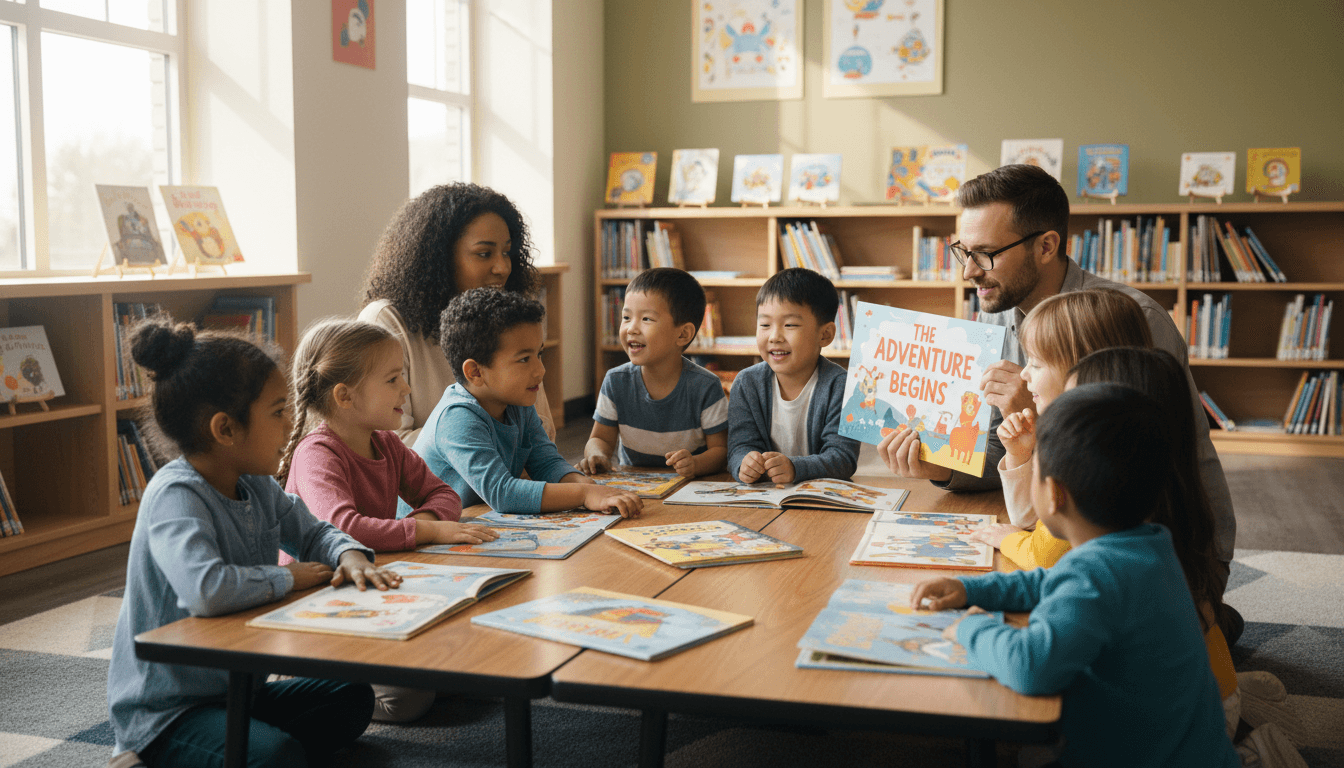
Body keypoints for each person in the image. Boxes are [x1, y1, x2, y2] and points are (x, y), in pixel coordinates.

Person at [878, 164, 1241, 642]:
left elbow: (1148, 478)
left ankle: (1210, 623)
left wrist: (1049, 417)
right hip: (1069, 517)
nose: (969, 271)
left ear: (1046, 246)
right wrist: (941, 465)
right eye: (963, 251)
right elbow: (998, 448)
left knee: (1036, 629)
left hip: (1163, 549)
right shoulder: (995, 317)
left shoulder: (1131, 321)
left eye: (985, 254)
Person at [107, 318, 399, 768]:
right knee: (277, 756)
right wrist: (287, 578)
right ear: (225, 429)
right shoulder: (175, 496)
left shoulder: (257, 482)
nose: (290, 425)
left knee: (352, 698)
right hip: (169, 712)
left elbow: (313, 530)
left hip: (241, 689)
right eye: (278, 412)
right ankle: (141, 759)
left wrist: (349, 553)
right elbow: (206, 589)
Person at [911, 384, 1239, 768]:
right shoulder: (1146, 545)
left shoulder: (1096, 574)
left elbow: (1031, 667)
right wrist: (970, 588)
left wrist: (971, 629)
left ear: (1053, 495)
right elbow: (1048, 581)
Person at [278, 318, 500, 723]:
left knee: (475, 648)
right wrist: (427, 529)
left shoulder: (385, 443)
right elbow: (343, 529)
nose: (408, 389)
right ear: (345, 396)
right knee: (407, 700)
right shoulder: (317, 454)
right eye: (394, 379)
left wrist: (428, 521)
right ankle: (302, 673)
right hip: (318, 598)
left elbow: (443, 494)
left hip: (371, 583)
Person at [1068, 347, 1240, 737]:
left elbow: (1040, 661)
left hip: (1190, 721)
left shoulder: (1120, 544)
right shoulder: (1168, 512)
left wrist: (975, 631)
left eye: (1071, 413)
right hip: (1212, 694)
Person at [359, 182, 556, 447]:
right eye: (484, 254)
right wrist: (501, 435)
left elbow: (543, 431)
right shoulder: (386, 322)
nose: (502, 267)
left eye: (507, 253)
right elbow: (390, 445)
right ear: (439, 258)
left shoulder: (510, 323)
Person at [417, 288, 643, 517]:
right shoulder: (457, 418)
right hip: (425, 542)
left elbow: (547, 464)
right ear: (475, 371)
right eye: (524, 359)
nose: (540, 370)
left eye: (539, 355)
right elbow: (502, 493)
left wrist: (591, 488)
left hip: (476, 522)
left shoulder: (516, 403)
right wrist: (583, 495)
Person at [968, 289, 1152, 569]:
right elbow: (1035, 520)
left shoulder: (1086, 452)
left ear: (1082, 372)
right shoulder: (1119, 428)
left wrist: (1010, 541)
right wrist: (1020, 456)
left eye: (1036, 364)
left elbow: (1044, 557)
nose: (1024, 373)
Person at [578, 268, 729, 478]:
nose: (631, 328)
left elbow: (720, 451)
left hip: (690, 486)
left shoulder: (705, 386)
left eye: (646, 319)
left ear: (683, 334)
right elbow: (601, 439)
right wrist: (597, 454)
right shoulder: (616, 381)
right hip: (636, 486)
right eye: (626, 317)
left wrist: (695, 464)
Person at [726, 268, 859, 483]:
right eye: (765, 325)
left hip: (822, 499)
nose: (774, 336)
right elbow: (739, 446)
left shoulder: (841, 386)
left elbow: (843, 457)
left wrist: (795, 468)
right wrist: (744, 463)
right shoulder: (747, 383)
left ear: (825, 335)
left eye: (790, 325)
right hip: (765, 498)